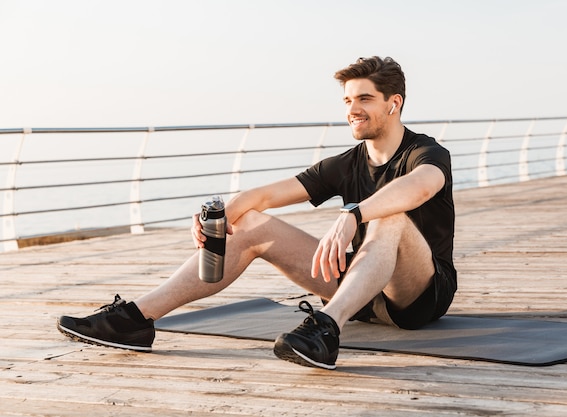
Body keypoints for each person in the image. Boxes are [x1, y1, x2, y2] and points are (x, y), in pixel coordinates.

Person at [57, 56, 457, 370]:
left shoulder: (427, 153)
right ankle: (135, 319)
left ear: (394, 103)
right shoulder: (345, 163)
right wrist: (222, 215)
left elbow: (420, 186)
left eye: (364, 98)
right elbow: (265, 196)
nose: (352, 109)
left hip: (418, 295)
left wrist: (354, 213)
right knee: (249, 223)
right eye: (348, 100)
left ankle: (326, 328)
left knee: (389, 217)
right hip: (361, 289)